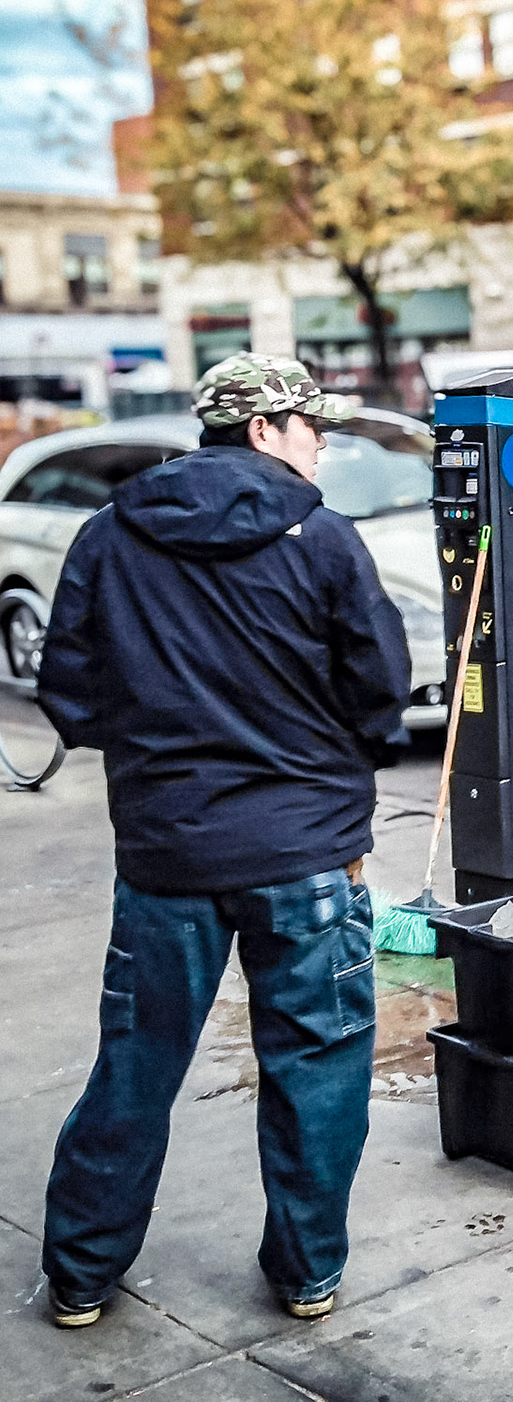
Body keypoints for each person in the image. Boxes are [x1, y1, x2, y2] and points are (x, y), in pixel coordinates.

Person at [35, 353, 412, 1329]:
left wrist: (162, 737)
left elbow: (70, 696)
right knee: (318, 1065)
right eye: (310, 428)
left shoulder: (108, 536)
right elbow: (380, 693)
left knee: (137, 1061)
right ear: (260, 430)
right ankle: (307, 1273)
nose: (321, 445)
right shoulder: (324, 539)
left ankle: (79, 1277)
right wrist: (334, 759)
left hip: (169, 854)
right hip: (306, 851)